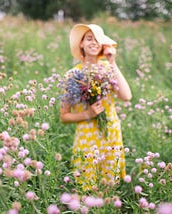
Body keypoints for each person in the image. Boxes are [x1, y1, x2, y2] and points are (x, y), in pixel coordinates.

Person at [60, 24, 132, 191]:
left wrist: (112, 62)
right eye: (89, 38)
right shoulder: (73, 75)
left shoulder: (108, 69)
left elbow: (127, 96)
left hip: (110, 132)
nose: (94, 42)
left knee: (109, 188)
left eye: (97, 39)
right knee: (86, 186)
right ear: (81, 44)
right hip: (87, 135)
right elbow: (64, 116)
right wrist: (88, 113)